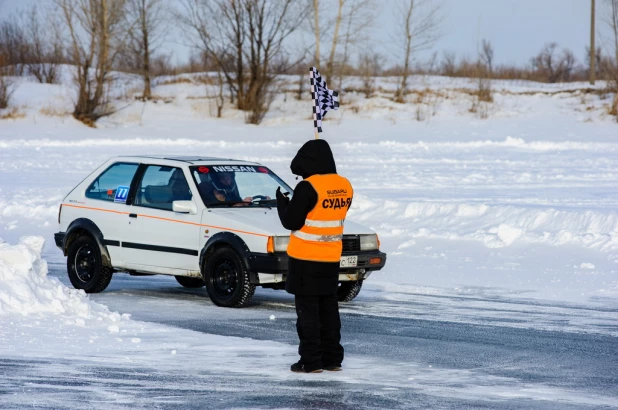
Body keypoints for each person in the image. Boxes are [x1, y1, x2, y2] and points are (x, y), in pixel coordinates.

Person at [276, 139, 353, 374]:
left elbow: (291, 221)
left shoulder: (308, 187)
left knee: (308, 314)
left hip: (305, 260)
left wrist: (283, 205)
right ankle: (332, 359)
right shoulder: (345, 185)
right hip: (330, 259)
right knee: (329, 311)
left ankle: (310, 361)